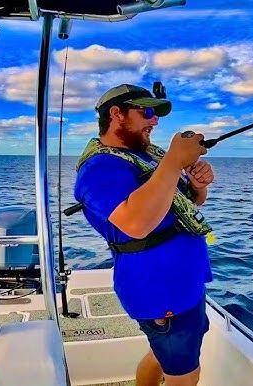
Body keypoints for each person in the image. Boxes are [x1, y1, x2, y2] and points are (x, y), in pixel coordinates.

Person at [73, 84, 214, 386]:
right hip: (160, 290)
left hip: (184, 284)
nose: (155, 121)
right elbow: (135, 223)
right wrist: (175, 162)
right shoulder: (99, 167)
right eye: (146, 112)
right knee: (184, 377)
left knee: (160, 355)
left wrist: (198, 185)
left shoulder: (149, 155)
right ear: (116, 114)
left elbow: (189, 202)